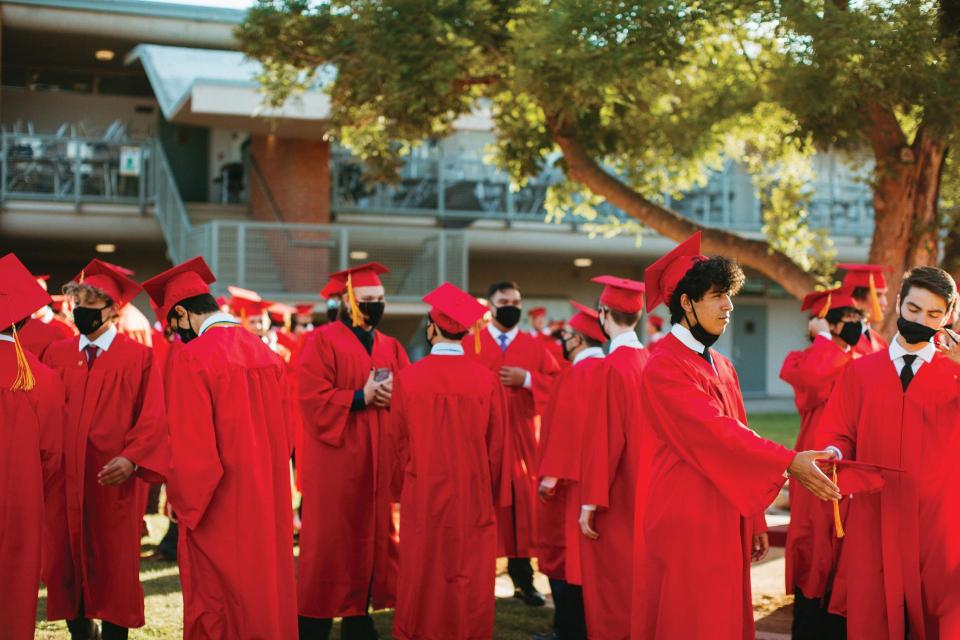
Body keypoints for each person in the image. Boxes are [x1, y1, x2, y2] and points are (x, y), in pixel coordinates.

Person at [631, 232, 841, 640]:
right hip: (685, 512)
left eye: (729, 294)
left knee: (723, 615)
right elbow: (715, 431)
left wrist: (754, 517)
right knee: (692, 616)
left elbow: (741, 431)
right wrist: (788, 461)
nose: (729, 305)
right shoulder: (663, 366)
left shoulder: (722, 365)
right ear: (686, 303)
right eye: (716, 296)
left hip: (725, 506)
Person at [142, 257, 298, 639]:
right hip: (267, 500)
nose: (176, 334)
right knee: (263, 597)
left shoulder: (193, 359)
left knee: (222, 607)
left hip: (220, 510)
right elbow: (287, 437)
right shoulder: (268, 356)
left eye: (174, 326)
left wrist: (182, 506)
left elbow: (194, 456)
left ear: (182, 313)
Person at [817, 266, 960, 640]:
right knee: (874, 616)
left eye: (933, 315)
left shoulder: (955, 374)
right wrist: (833, 451)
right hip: (875, 516)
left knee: (939, 617)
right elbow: (839, 430)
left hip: (939, 521)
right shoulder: (861, 371)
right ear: (899, 302)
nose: (921, 321)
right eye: (913, 310)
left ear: (948, 318)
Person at [42, 259, 169, 640]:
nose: (80, 312)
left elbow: (153, 418)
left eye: (90, 305)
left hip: (113, 479)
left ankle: (114, 635)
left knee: (114, 563)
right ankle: (82, 632)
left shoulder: (139, 358)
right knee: (67, 560)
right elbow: (44, 415)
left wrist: (131, 458)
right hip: (64, 478)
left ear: (113, 310)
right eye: (76, 303)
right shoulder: (58, 355)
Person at [386, 282, 511, 640]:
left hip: (423, 492)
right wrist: (494, 493)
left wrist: (399, 488)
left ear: (433, 327)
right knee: (468, 572)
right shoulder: (485, 381)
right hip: (473, 496)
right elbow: (497, 447)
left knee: (422, 571)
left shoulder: (408, 380)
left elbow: (397, 443)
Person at [297, 262, 410, 640]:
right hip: (335, 460)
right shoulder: (321, 341)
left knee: (370, 537)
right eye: (367, 300)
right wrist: (361, 397)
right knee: (329, 542)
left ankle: (357, 617)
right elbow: (310, 398)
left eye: (380, 299)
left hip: (376, 460)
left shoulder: (390, 346)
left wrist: (396, 396)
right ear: (347, 301)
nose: (375, 305)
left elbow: (407, 398)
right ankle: (313, 621)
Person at [463, 281, 561, 607]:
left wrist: (528, 380)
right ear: (490, 306)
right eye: (504, 300)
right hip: (480, 440)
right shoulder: (470, 344)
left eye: (516, 301)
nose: (511, 305)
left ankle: (523, 580)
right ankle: (476, 580)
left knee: (521, 509)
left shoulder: (534, 347)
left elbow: (558, 385)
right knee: (482, 506)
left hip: (521, 440)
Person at [779, 287, 862, 640]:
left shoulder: (861, 359)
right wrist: (825, 340)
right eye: (849, 319)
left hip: (851, 468)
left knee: (848, 557)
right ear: (825, 326)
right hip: (815, 466)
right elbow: (813, 381)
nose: (857, 324)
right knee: (815, 550)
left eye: (860, 318)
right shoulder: (803, 359)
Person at [578, 275, 652, 640]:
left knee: (614, 581)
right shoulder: (650, 361)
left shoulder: (612, 367)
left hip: (619, 490)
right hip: (650, 485)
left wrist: (590, 500)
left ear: (603, 313)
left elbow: (604, 440)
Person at [0, 254, 65, 640]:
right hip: (22, 502)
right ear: (24, 320)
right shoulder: (41, 378)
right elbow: (52, 455)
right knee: (13, 581)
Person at [537, 301, 608, 640]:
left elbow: (566, 430)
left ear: (578, 340)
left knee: (569, 557)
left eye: (566, 335)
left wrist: (550, 478)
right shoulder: (610, 369)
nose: (562, 341)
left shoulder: (576, 375)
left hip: (574, 481)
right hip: (605, 479)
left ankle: (569, 629)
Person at [838, 263, 889, 356]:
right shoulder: (839, 340)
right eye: (878, 295)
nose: (884, 302)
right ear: (856, 298)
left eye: (884, 295)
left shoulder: (881, 343)